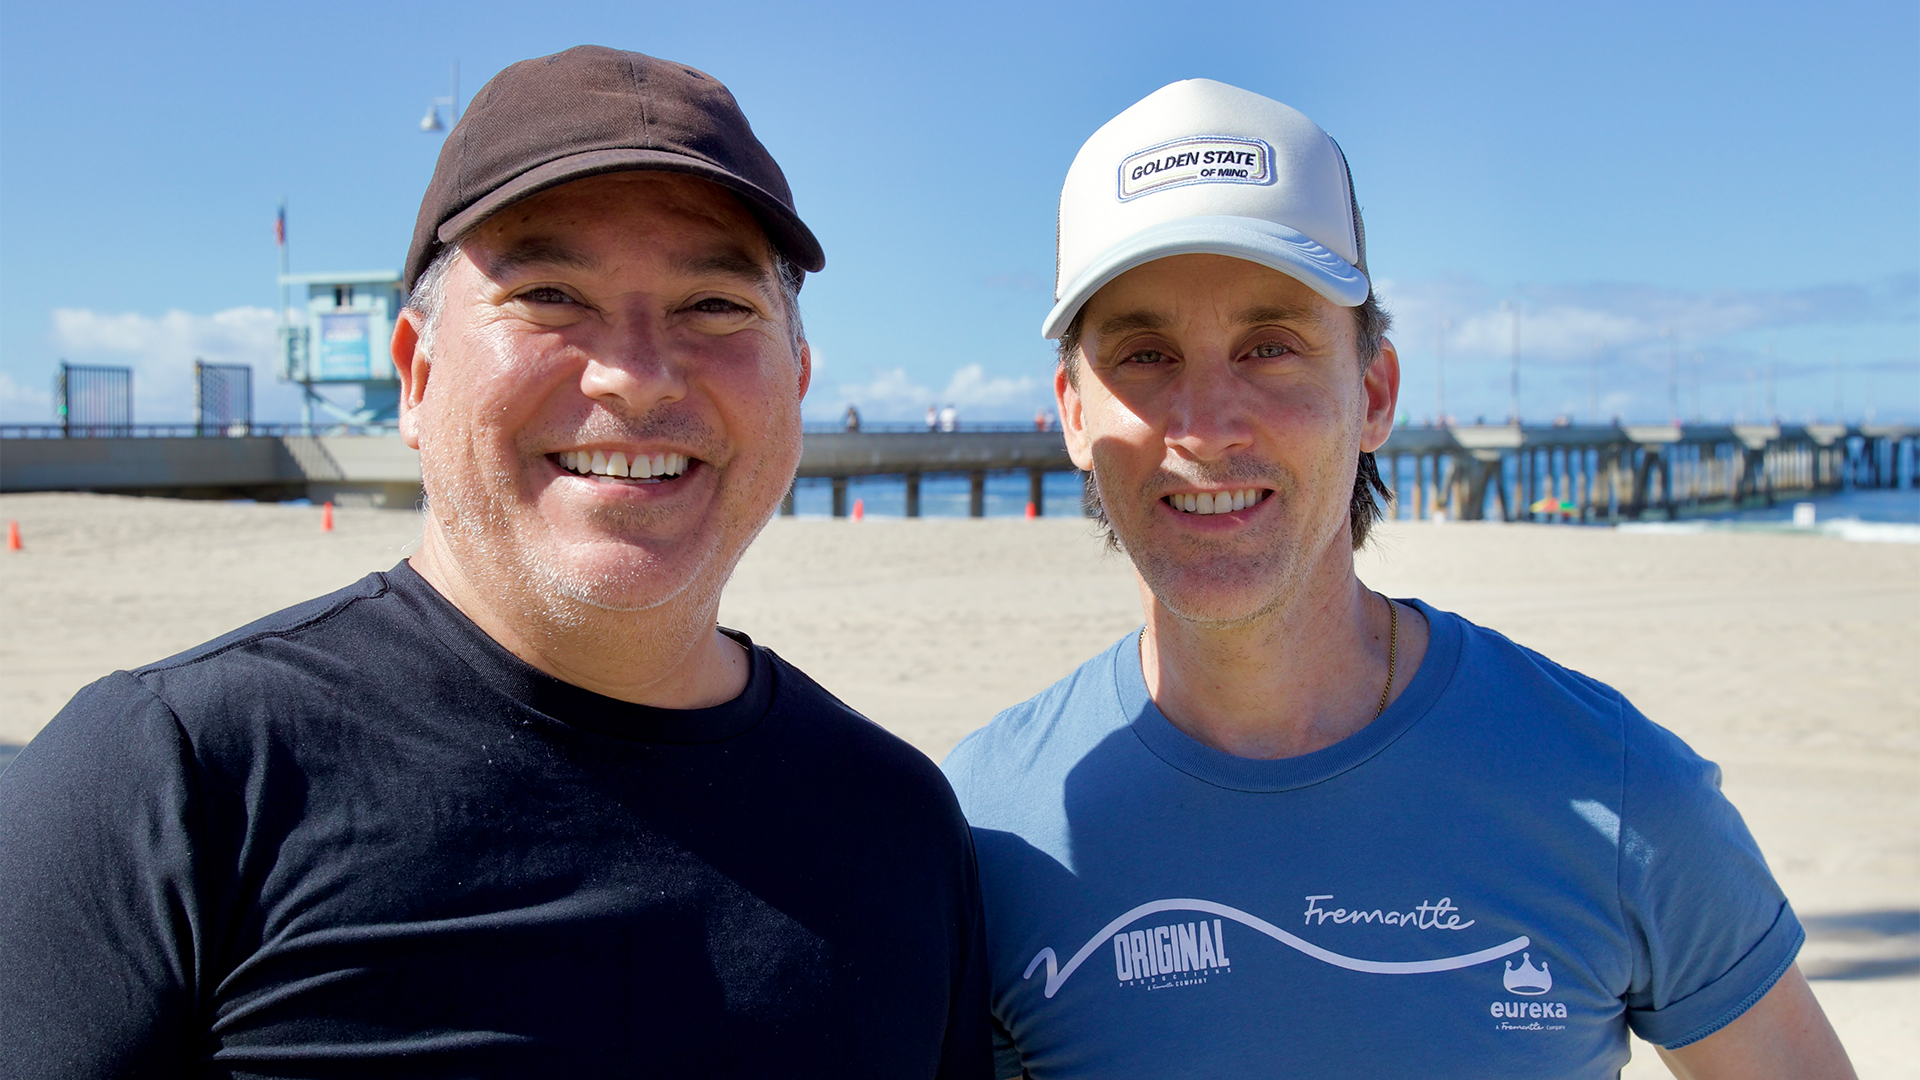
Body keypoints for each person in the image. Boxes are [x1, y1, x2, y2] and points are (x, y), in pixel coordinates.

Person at [0, 46, 987, 1079]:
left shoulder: (900, 825)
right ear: (417, 376)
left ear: (798, 380)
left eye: (715, 305)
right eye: (551, 294)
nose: (637, 376)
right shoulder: (177, 779)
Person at [940, 80, 1852, 1080]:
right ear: (1074, 414)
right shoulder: (984, 830)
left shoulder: (1615, 793)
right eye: (1145, 355)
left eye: (1271, 347)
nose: (1205, 426)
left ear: (1373, 393)